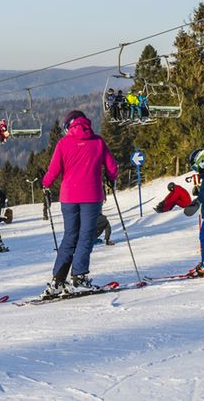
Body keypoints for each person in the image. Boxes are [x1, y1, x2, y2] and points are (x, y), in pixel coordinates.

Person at [41, 110, 119, 298]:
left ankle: (58, 280)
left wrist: (45, 185)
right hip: (91, 196)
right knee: (85, 237)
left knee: (70, 237)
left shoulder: (63, 143)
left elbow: (53, 170)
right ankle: (79, 278)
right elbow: (112, 167)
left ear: (69, 125)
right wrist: (111, 178)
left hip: (69, 197)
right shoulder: (98, 142)